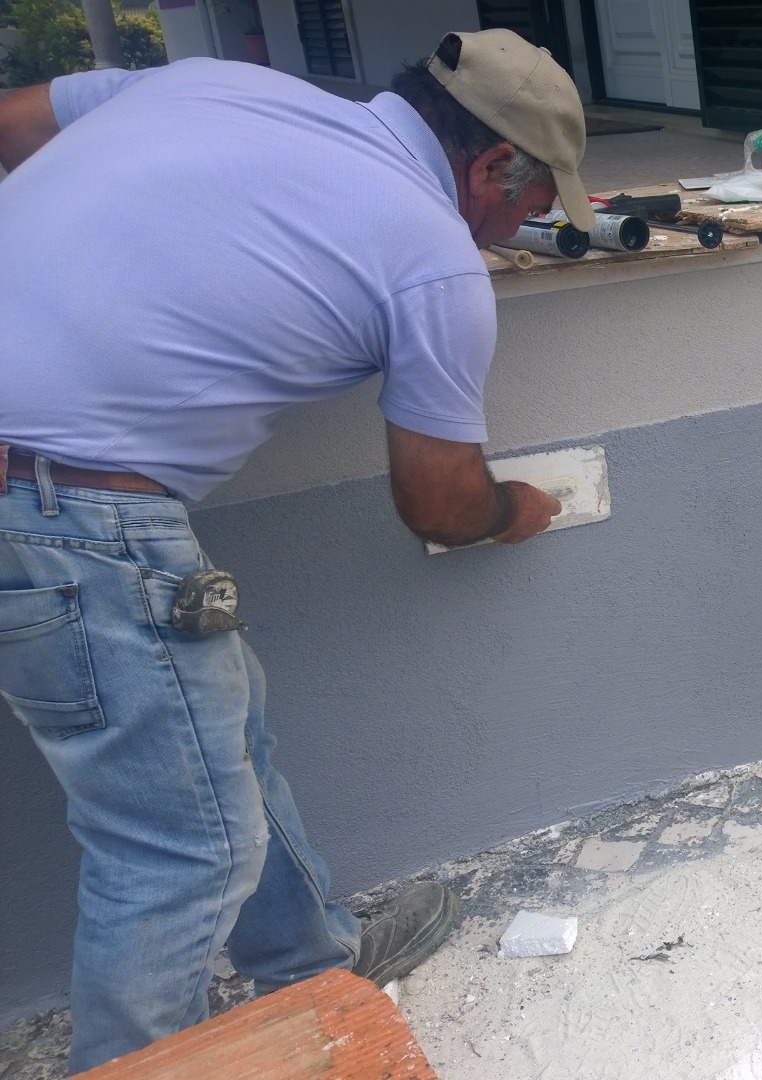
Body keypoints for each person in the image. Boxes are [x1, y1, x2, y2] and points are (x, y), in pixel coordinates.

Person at [0, 29, 592, 1069]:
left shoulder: (213, 85)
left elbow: (11, 126)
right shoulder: (432, 261)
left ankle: (315, 971)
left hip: (55, 501)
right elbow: (438, 503)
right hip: (66, 516)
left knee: (219, 740)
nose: (528, 226)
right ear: (494, 164)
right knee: (182, 851)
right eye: (536, 202)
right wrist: (514, 510)